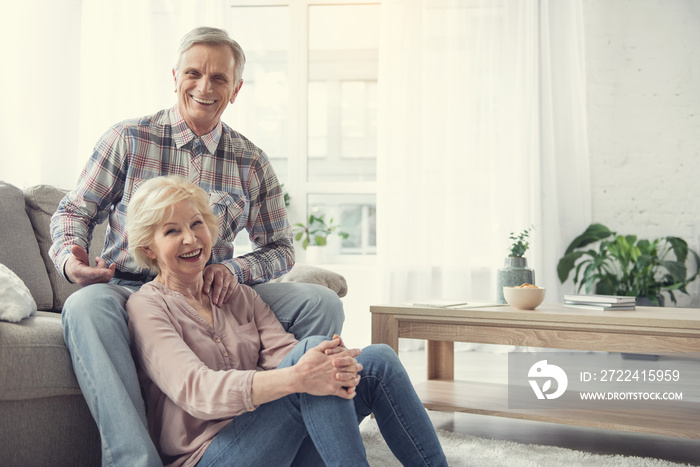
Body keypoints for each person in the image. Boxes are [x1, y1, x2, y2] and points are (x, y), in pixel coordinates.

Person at [49, 26, 344, 467]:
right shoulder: (128, 138)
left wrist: (234, 272)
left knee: (319, 302)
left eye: (219, 79)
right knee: (85, 307)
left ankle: (273, 435)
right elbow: (73, 212)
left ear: (236, 89)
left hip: (214, 290)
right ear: (175, 77)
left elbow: (281, 247)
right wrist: (72, 262)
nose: (204, 87)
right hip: (129, 286)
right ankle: (135, 460)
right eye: (194, 73)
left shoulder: (251, 161)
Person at [124, 175, 448, 467]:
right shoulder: (148, 307)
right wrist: (298, 378)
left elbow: (286, 352)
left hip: (274, 443)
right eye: (172, 231)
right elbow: (198, 391)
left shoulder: (238, 296)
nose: (192, 239)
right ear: (149, 249)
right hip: (209, 456)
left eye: (196, 224)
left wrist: (333, 363)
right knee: (312, 360)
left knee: (377, 360)